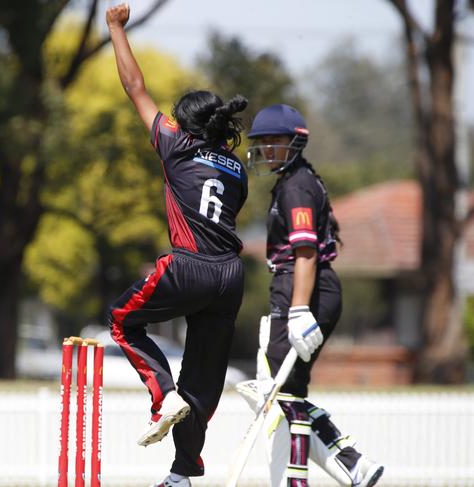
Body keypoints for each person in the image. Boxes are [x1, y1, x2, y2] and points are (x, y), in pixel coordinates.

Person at [104, 4, 248, 487]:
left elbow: (135, 87)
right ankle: (182, 473)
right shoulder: (238, 169)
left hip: (189, 266)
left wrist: (115, 28)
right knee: (203, 382)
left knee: (123, 319)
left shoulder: (176, 145)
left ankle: (162, 394)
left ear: (186, 127)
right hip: (230, 276)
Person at [236, 104, 384, 487]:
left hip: (304, 288)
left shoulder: (297, 185)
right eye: (262, 142)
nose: (267, 148)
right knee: (288, 393)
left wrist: (299, 309)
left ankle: (331, 467)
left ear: (296, 142)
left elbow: (306, 252)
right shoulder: (294, 181)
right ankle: (344, 465)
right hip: (306, 287)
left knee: (274, 387)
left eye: (275, 140)